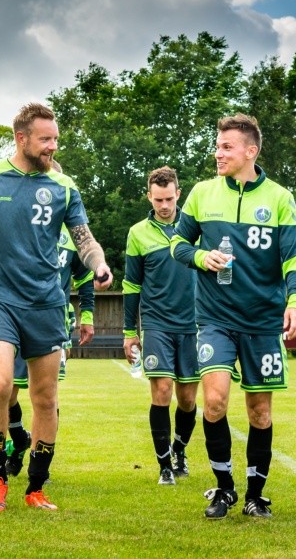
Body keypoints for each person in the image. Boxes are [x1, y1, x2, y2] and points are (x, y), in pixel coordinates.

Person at [0, 102, 113, 513]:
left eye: (55, 138)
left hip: (46, 304)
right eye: (45, 139)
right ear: (21, 139)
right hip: (0, 300)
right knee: (1, 385)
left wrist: (100, 263)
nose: (52, 146)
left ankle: (36, 486)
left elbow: (83, 238)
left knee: (44, 396)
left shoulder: (65, 186)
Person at [170, 114, 296, 520]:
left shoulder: (281, 198)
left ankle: (255, 494)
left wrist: (295, 301)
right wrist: (199, 256)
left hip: (263, 321)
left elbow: (293, 257)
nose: (218, 153)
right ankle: (224, 489)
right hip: (214, 316)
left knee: (260, 411)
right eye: (217, 145)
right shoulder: (200, 194)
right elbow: (177, 242)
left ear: (251, 151)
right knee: (213, 401)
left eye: (227, 146)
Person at [123, 165, 199, 486]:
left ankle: (179, 449)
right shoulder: (137, 233)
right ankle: (165, 466)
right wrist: (130, 332)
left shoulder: (196, 228)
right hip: (156, 323)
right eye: (158, 200)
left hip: (194, 325)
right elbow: (131, 285)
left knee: (188, 399)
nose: (164, 205)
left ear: (178, 194)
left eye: (169, 198)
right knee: (162, 391)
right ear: (149, 196)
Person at [7, 222, 95, 478]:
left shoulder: (73, 236)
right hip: (13, 317)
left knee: (46, 394)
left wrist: (87, 316)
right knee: (6, 390)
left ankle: (39, 459)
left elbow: (85, 276)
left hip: (53, 322)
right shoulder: (24, 225)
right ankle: (19, 438)